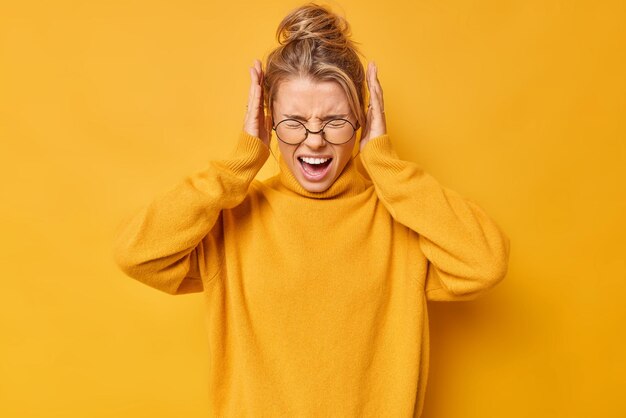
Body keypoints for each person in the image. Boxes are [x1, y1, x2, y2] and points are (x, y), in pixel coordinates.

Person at [112, 3, 510, 416]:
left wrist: (387, 166)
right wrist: (239, 164)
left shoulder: (402, 221)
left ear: (363, 121)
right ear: (268, 122)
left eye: (335, 120)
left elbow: (484, 263)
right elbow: (137, 253)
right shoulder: (232, 222)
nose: (314, 140)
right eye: (294, 121)